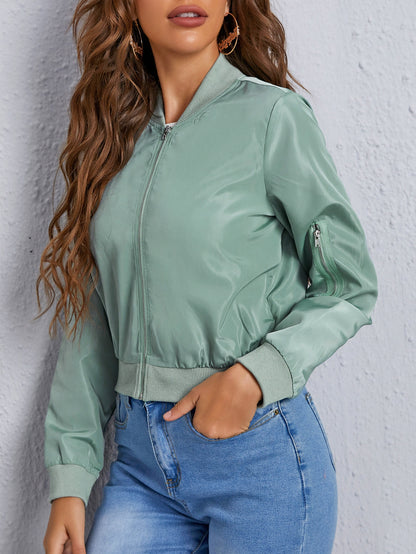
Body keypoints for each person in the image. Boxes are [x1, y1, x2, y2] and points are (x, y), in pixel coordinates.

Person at [39, 1, 378, 553]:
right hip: (141, 472)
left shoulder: (273, 118)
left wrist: (253, 376)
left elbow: (349, 284)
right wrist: (70, 477)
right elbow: (93, 320)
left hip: (258, 461)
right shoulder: (111, 138)